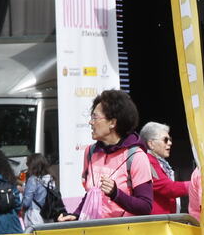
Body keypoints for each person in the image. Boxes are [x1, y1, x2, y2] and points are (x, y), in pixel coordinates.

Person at [66, 89, 154, 220]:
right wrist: (76, 215)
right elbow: (92, 194)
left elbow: (145, 206)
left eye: (95, 117)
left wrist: (116, 194)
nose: (90, 122)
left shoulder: (136, 156)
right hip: (94, 230)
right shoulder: (90, 152)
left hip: (123, 231)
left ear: (112, 122)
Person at [140, 121, 189, 214]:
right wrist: (195, 183)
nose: (170, 143)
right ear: (151, 144)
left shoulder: (159, 162)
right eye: (165, 140)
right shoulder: (147, 161)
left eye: (170, 139)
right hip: (157, 221)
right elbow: (167, 188)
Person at [20, 153, 62, 227]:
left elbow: (26, 203)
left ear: (32, 165)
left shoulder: (33, 180)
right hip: (49, 215)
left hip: (35, 216)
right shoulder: (50, 178)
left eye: (28, 164)